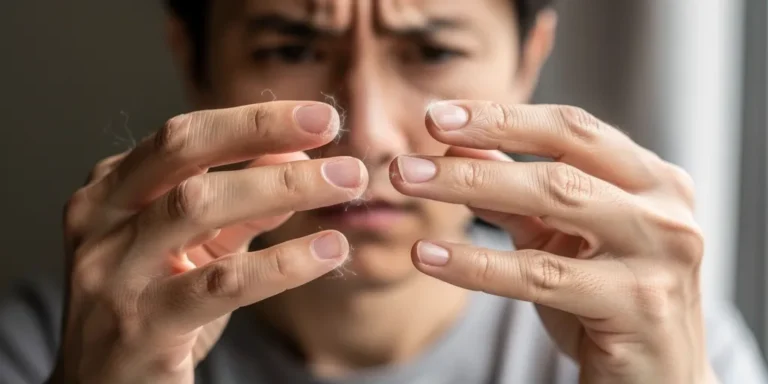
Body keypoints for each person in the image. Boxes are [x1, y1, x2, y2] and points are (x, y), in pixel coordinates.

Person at [1, 0, 767, 383]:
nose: (364, 133)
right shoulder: (55, 339)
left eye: (432, 51)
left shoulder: (670, 338)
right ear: (193, 59)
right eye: (292, 48)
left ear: (528, 60)